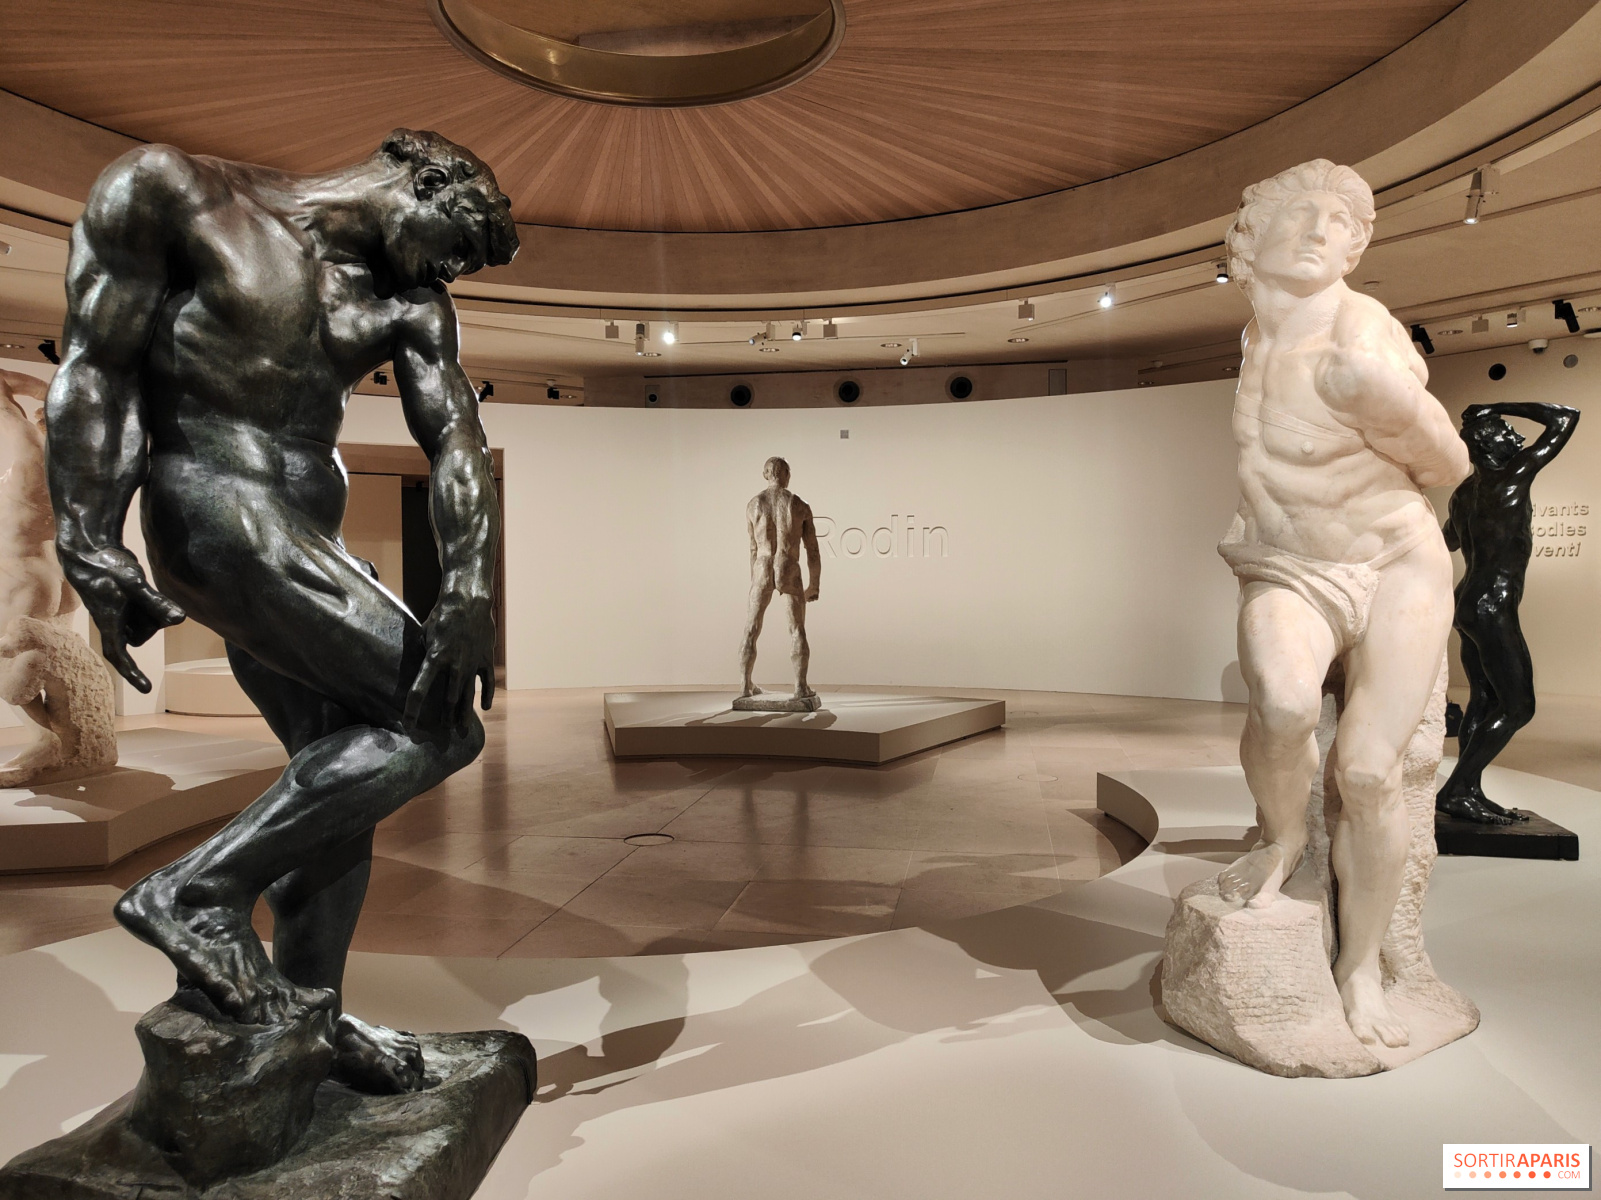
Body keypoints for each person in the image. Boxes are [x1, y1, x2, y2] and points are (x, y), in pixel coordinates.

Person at [46, 129, 516, 1093]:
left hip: (310, 542)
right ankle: (196, 893)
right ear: (424, 182)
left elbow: (456, 439)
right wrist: (89, 534)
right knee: (438, 723)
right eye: (457, 245)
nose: (451, 272)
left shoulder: (406, 302)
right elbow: (97, 366)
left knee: (338, 787)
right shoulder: (179, 191)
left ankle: (307, 1025)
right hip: (218, 513)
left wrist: (469, 582)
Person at [1215, 160, 1470, 1049]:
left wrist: (1379, 404)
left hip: (1393, 564)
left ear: (1356, 249)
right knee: (1283, 706)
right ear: (1250, 238)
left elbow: (1447, 465)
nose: (1317, 232)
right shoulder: (1255, 331)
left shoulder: (1358, 343)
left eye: (1338, 223)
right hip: (1289, 564)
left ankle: (1359, 966)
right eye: (1298, 214)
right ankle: (1281, 839)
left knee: (1366, 773)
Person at [1437, 402, 1579, 823]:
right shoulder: (1513, 474)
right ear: (1488, 444)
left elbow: (1449, 541)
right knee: (1519, 706)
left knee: (1483, 698)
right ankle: (1457, 789)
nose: (1517, 436)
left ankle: (1470, 791)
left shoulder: (1463, 494)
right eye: (1505, 430)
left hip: (1467, 602)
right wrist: (1495, 406)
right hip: (1493, 603)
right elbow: (1565, 417)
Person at [737, 456, 821, 706]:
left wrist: (756, 581)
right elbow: (812, 550)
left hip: (762, 567)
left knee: (751, 628)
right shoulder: (799, 504)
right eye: (788, 472)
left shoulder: (753, 505)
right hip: (788, 565)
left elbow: (753, 548)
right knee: (796, 629)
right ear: (785, 474)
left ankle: (744, 685)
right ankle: (800, 687)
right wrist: (814, 585)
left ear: (766, 474)